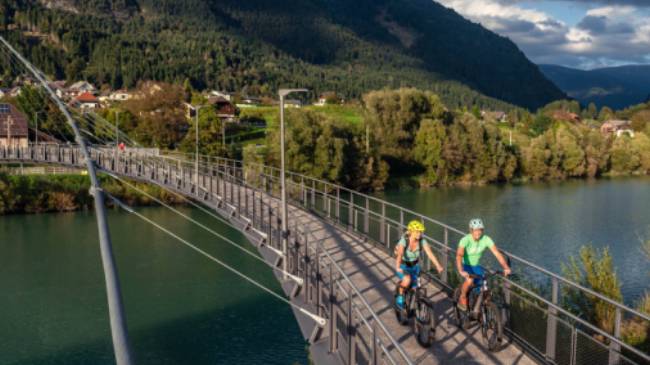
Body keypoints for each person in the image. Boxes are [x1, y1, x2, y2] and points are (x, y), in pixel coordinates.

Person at [456, 218, 511, 311]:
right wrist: (461, 270)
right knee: (469, 281)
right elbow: (459, 255)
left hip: (476, 266)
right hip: (466, 265)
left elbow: (497, 253)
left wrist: (506, 267)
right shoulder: (465, 240)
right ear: (471, 230)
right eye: (475, 230)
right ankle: (463, 296)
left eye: (480, 230)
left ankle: (481, 311)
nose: (478, 233)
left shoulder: (486, 239)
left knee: (484, 288)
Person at [395, 220, 444, 309]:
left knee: (416, 287)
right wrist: (398, 267)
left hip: (415, 267)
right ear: (411, 232)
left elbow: (430, 253)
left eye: (420, 232)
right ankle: (400, 296)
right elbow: (400, 254)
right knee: (407, 280)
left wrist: (438, 265)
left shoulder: (422, 241)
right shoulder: (404, 241)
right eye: (417, 232)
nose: (419, 234)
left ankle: (415, 304)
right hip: (403, 265)